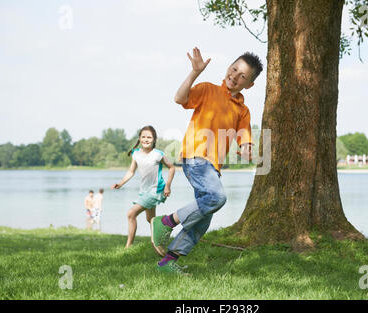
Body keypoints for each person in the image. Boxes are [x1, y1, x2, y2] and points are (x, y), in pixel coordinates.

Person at [150, 47, 263, 274]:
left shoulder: (243, 110)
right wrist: (194, 73)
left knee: (203, 218)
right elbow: (179, 98)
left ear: (249, 85)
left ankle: (167, 262)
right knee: (216, 198)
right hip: (196, 157)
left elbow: (245, 138)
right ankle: (165, 223)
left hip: (214, 166)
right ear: (228, 67)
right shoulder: (208, 89)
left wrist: (248, 149)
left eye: (243, 76)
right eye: (234, 69)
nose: (235, 76)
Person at [111, 126, 175, 248]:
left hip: (156, 190)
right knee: (151, 219)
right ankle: (159, 241)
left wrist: (168, 185)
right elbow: (131, 171)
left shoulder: (158, 154)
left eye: (149, 137)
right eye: (144, 137)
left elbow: (172, 167)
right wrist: (121, 183)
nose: (146, 139)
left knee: (131, 214)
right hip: (144, 190)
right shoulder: (136, 154)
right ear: (139, 138)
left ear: (154, 139)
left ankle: (128, 246)